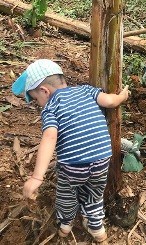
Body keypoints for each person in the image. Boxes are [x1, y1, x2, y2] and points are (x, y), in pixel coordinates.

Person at [11, 59, 129, 242]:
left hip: (73, 165)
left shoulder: (51, 107)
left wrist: (36, 177)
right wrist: (122, 97)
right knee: (94, 194)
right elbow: (110, 101)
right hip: (102, 158)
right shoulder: (86, 90)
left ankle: (65, 224)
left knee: (66, 193)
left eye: (36, 99)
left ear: (44, 91)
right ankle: (97, 229)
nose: (39, 104)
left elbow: (50, 137)